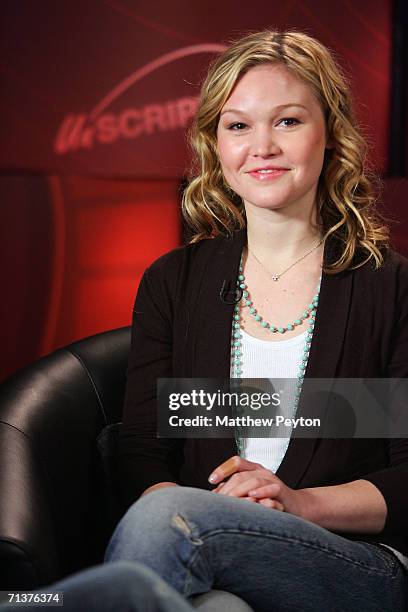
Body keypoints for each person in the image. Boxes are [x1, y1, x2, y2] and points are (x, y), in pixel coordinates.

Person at [105, 30, 408, 611]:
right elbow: (144, 452)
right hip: (203, 548)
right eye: (238, 125)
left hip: (355, 562)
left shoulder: (390, 287)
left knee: (169, 523)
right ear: (215, 144)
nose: (261, 146)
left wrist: (298, 502)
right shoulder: (175, 281)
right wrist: (188, 511)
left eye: (288, 121)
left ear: (332, 134)